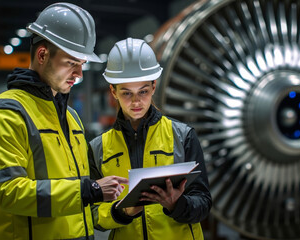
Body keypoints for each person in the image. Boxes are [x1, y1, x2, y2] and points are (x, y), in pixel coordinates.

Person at [0, 3, 127, 239]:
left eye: (82, 64)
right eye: (71, 63)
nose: (79, 74)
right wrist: (91, 189)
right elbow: (10, 193)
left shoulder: (71, 117)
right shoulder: (5, 115)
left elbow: (80, 203)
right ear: (43, 55)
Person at [88, 38, 212, 240]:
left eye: (143, 91)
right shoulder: (98, 148)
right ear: (113, 92)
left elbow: (203, 204)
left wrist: (176, 205)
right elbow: (92, 215)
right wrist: (121, 212)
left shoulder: (183, 136)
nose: (136, 101)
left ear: (154, 87)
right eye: (127, 93)